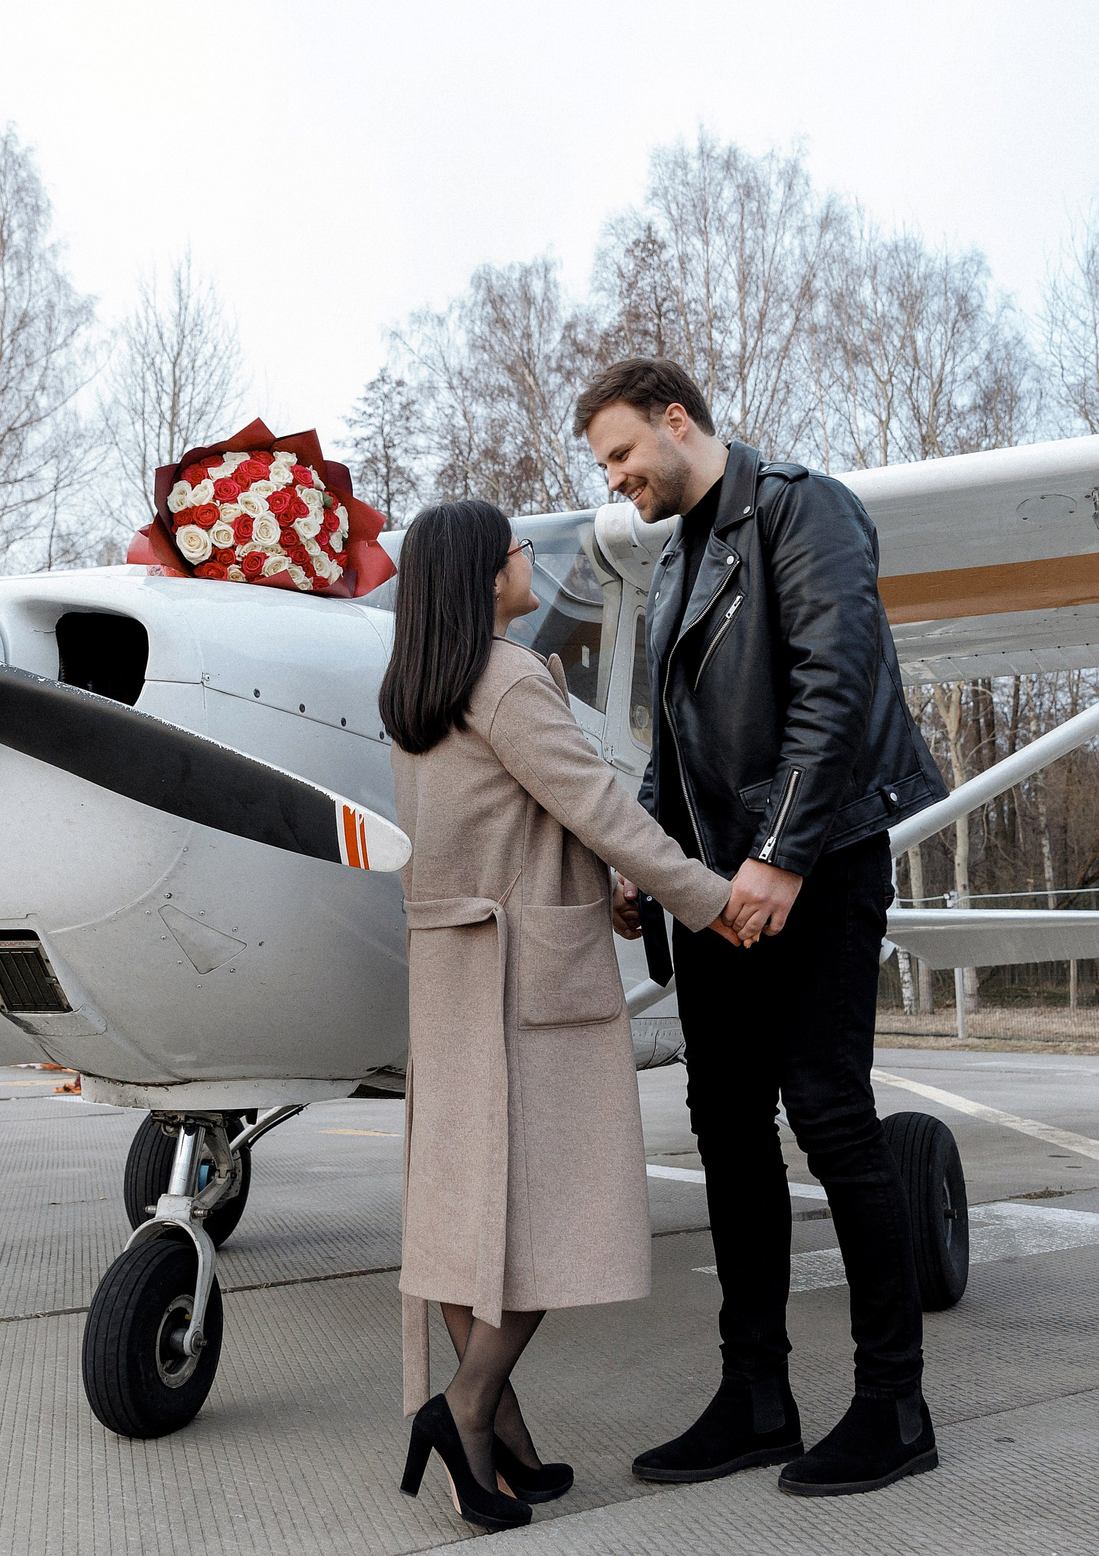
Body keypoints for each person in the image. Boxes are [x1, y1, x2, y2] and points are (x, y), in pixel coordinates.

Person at [581, 356, 951, 1497]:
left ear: (676, 419)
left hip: (818, 862)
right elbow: (676, 744)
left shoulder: (803, 507)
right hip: (714, 890)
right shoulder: (680, 555)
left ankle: (893, 1404)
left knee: (831, 1118)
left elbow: (836, 689)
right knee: (725, 1126)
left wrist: (780, 854)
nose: (615, 479)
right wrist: (647, 859)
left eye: (620, 453)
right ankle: (755, 1396)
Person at [381, 499, 739, 1535]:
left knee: (461, 1215)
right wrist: (703, 899)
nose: (529, 560)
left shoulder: (416, 691)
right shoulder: (507, 677)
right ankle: (461, 1413)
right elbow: (595, 803)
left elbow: (513, 821)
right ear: (481, 576)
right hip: (524, 983)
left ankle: (500, 1443)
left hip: (449, 971)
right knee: (545, 1215)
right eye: (514, 550)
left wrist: (602, 885)